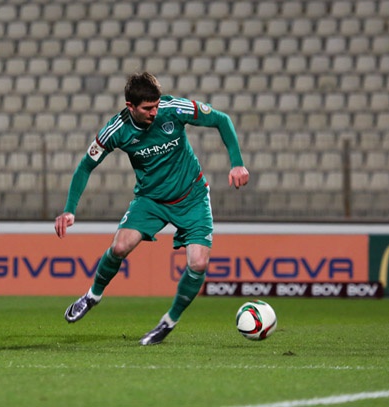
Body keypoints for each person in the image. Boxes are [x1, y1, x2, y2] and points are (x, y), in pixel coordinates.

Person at [55, 72, 250, 345]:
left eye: (156, 106)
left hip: (192, 196)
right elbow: (86, 165)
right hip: (150, 200)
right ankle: (92, 296)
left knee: (198, 263)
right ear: (130, 106)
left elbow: (221, 119)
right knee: (120, 247)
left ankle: (168, 322)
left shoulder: (173, 109)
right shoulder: (116, 130)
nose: (154, 112)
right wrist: (69, 209)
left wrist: (237, 163)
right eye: (147, 108)